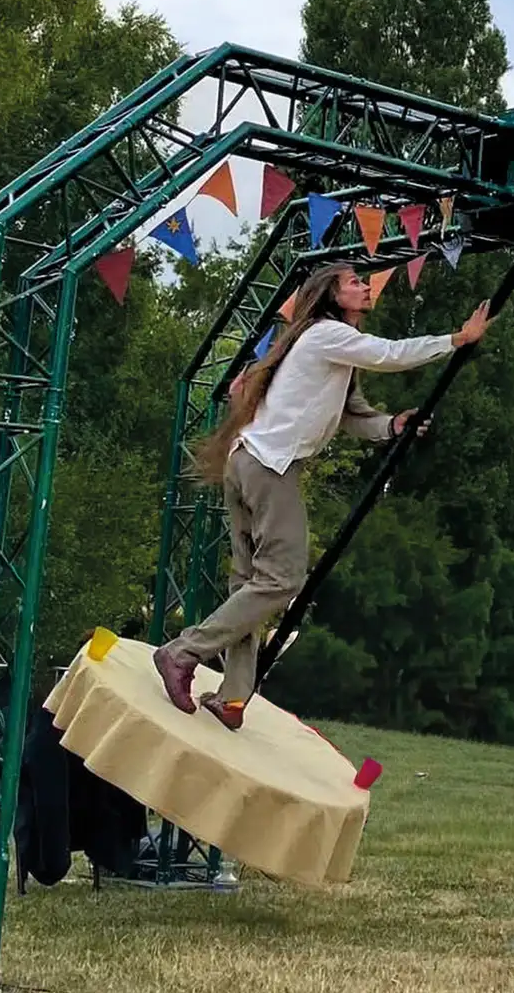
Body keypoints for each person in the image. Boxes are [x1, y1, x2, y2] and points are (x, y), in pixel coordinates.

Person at [153, 261, 490, 726]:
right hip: (269, 466)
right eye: (354, 282)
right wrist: (456, 339)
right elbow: (391, 355)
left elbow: (351, 416)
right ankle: (183, 652)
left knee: (250, 583)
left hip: (248, 460)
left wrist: (392, 426)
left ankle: (232, 697)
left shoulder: (329, 346)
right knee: (282, 580)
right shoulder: (327, 334)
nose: (365, 286)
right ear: (333, 296)